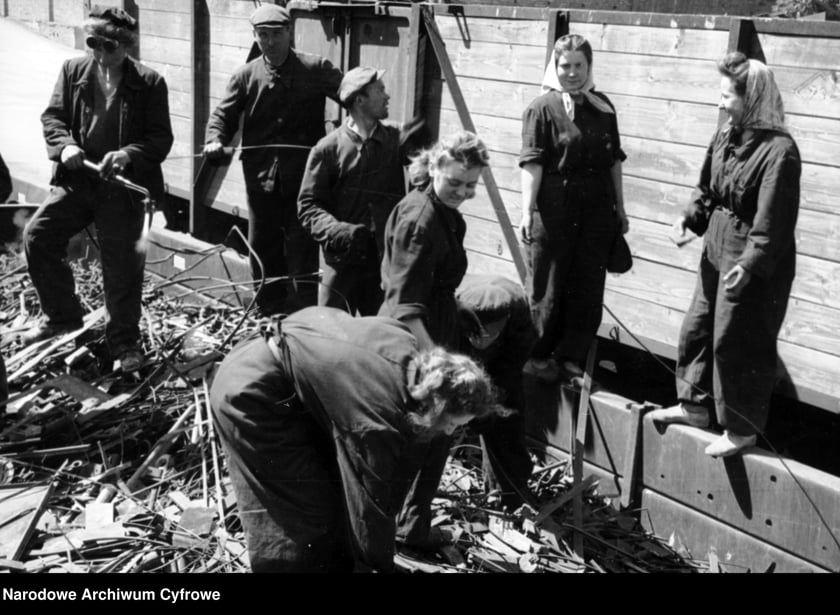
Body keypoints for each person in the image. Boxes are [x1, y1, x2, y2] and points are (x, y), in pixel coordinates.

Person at [209, 306, 503, 572]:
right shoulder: (376, 423)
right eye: (452, 422)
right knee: (304, 514)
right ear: (437, 406)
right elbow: (368, 508)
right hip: (250, 395)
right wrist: (376, 566)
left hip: (280, 373)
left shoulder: (406, 345)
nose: (451, 432)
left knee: (327, 489)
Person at [647, 52, 800, 458]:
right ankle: (694, 407)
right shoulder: (726, 134)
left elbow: (774, 220)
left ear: (751, 99)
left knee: (738, 339)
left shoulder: (779, 151)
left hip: (751, 251)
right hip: (716, 243)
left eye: (727, 96)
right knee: (697, 326)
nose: (720, 103)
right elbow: (706, 189)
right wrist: (688, 219)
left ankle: (741, 429)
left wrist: (750, 264)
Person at [22, 6, 173, 372]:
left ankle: (124, 345)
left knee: (121, 267)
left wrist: (126, 155)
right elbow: (53, 117)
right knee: (38, 235)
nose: (101, 55)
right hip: (78, 181)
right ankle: (61, 315)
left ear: (126, 47)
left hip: (120, 189)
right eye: (94, 44)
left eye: (110, 47)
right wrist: (65, 146)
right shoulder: (74, 71)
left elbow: (160, 138)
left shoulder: (149, 83)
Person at [378, 130, 489, 549]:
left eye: (471, 185)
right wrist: (437, 361)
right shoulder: (419, 218)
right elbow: (404, 302)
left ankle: (410, 526)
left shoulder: (441, 211)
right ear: (435, 168)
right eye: (455, 182)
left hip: (435, 325)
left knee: (435, 439)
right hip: (413, 339)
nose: (463, 191)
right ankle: (386, 532)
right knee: (419, 436)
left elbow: (429, 283)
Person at [203, 5, 342, 316]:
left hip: (305, 181)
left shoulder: (315, 68)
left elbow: (351, 94)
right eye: (263, 35)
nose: (270, 42)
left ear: (289, 32)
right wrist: (215, 141)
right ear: (256, 36)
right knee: (262, 248)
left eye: (276, 34)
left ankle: (301, 320)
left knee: (302, 250)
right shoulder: (244, 76)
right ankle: (267, 316)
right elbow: (222, 117)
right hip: (260, 179)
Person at [518, 34, 628, 383]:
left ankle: (571, 359)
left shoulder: (603, 106)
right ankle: (536, 357)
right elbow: (532, 165)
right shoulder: (541, 108)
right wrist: (526, 211)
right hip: (554, 207)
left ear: (588, 66)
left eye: (579, 65)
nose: (572, 73)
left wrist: (620, 209)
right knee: (548, 284)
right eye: (565, 65)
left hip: (596, 207)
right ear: (555, 66)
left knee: (588, 284)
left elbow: (614, 161)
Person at [298, 67, 426, 315]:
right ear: (359, 99)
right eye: (380, 91)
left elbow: (425, 172)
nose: (387, 97)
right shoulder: (328, 149)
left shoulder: (396, 138)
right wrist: (338, 232)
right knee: (332, 331)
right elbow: (308, 207)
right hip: (342, 260)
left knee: (383, 331)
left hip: (383, 261)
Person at [456, 274, 537, 509]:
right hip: (458, 351)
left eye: (489, 335)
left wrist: (489, 405)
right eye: (477, 336)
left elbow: (508, 371)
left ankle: (511, 491)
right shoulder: (452, 312)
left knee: (507, 413)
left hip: (502, 358)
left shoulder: (521, 314)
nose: (482, 342)